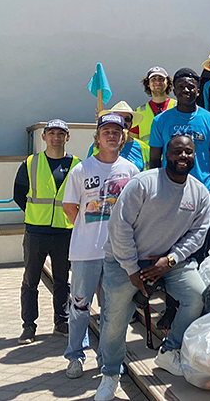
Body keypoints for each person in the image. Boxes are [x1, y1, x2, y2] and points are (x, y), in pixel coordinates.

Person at [94, 135, 210, 401]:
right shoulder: (143, 183)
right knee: (114, 320)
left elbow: (198, 233)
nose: (183, 156)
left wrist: (170, 260)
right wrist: (133, 270)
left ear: (194, 156)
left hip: (168, 261)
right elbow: (119, 226)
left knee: (196, 296)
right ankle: (111, 373)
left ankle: (170, 352)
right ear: (167, 154)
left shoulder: (199, 192)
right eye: (177, 152)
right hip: (125, 261)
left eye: (189, 153)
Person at [63, 114, 139, 379]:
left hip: (118, 254)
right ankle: (75, 356)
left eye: (116, 132)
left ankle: (108, 358)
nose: (111, 135)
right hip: (85, 252)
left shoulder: (131, 171)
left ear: (123, 137)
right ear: (97, 138)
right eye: (105, 131)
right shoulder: (81, 170)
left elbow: (137, 211)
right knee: (80, 307)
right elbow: (70, 208)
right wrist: (90, 230)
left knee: (112, 311)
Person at [13, 119, 80, 344]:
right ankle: (29, 326)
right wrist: (35, 214)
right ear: (44, 137)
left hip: (65, 231)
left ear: (67, 137)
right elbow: (19, 194)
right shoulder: (30, 162)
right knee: (30, 280)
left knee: (62, 280)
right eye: (51, 133)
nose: (56, 138)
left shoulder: (77, 164)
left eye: (61, 134)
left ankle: (61, 322)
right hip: (36, 231)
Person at [149, 67, 210, 258]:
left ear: (198, 91)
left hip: (202, 192)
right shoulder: (160, 121)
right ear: (174, 90)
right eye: (181, 86)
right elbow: (155, 160)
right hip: (170, 192)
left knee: (201, 248)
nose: (186, 90)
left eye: (191, 87)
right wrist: (156, 193)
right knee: (170, 246)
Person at [89, 101, 150, 172]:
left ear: (131, 123)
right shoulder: (97, 145)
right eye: (118, 117)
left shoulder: (143, 148)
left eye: (127, 119)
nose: (122, 122)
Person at [133, 67, 176, 143]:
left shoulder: (177, 107)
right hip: (147, 154)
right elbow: (132, 141)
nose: (157, 82)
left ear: (167, 83)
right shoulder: (139, 112)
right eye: (153, 79)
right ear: (148, 84)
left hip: (172, 154)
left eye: (161, 79)